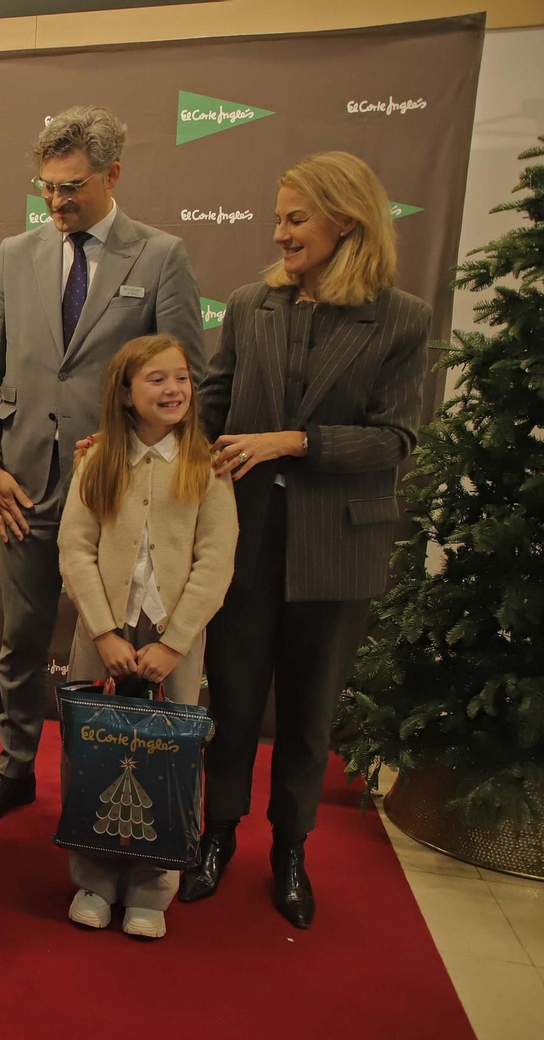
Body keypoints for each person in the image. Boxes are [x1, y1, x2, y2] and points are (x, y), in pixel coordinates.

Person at [182, 152, 431, 929]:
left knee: (309, 717)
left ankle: (290, 849)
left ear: (346, 222)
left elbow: (395, 438)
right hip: (246, 541)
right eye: (278, 217)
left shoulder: (401, 318)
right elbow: (215, 402)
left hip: (338, 548)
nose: (279, 232)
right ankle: (216, 836)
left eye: (296, 218)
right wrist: (139, 440)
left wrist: (292, 441)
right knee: (230, 704)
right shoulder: (254, 304)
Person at [0, 105, 205, 824]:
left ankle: (105, 782)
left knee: (117, 649)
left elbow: (184, 379)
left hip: (119, 495)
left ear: (113, 175)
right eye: (47, 188)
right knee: (20, 640)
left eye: (72, 188)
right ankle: (14, 766)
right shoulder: (14, 255)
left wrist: (133, 448)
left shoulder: (161, 256)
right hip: (23, 488)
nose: (58, 202)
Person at [56, 334, 236, 939]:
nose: (173, 389)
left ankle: (152, 886)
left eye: (181, 378)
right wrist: (103, 630)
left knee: (169, 764)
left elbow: (216, 562)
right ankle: (94, 878)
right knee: (94, 755)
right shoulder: (96, 460)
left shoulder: (205, 466)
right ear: (126, 393)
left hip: (171, 641)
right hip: (103, 634)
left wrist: (176, 641)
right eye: (156, 379)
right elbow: (75, 550)